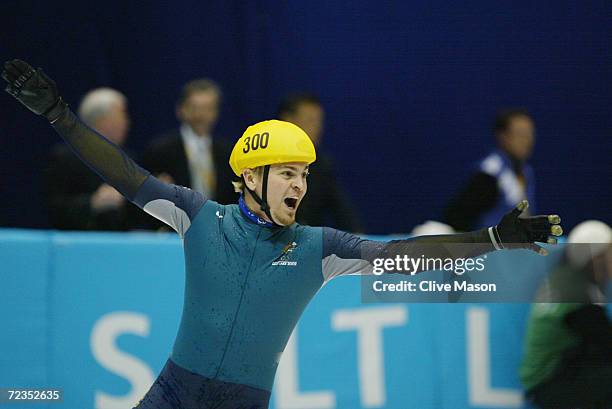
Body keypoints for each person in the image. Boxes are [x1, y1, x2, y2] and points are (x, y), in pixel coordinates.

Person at [3, 59, 563, 409]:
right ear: (250, 177)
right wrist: (60, 116)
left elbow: (406, 256)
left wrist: (492, 240)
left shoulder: (320, 247)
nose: (300, 184)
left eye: (304, 174)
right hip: (170, 397)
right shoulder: (199, 217)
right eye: (288, 173)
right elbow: (126, 176)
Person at [520, 220, 612, 409]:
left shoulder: (565, 277)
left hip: (555, 373)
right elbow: (605, 340)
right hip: (548, 382)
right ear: (596, 258)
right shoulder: (575, 291)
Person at [44, 87, 131, 230]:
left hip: (122, 243)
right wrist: (93, 202)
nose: (127, 122)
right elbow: (55, 208)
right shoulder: (65, 157)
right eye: (122, 115)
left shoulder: (129, 159)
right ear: (102, 119)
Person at [278, 93, 362, 231]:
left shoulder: (321, 165)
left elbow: (341, 210)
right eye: (310, 120)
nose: (317, 127)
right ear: (287, 121)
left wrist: (360, 239)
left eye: (319, 121)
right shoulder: (264, 163)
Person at [142, 78, 235, 203]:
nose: (201, 114)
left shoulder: (227, 152)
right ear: (181, 110)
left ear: (216, 112)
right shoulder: (160, 151)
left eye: (208, 108)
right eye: (195, 107)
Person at [444, 108, 537, 231]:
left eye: (530, 134)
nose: (527, 140)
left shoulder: (526, 171)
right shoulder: (489, 175)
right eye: (520, 134)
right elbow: (456, 218)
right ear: (503, 137)